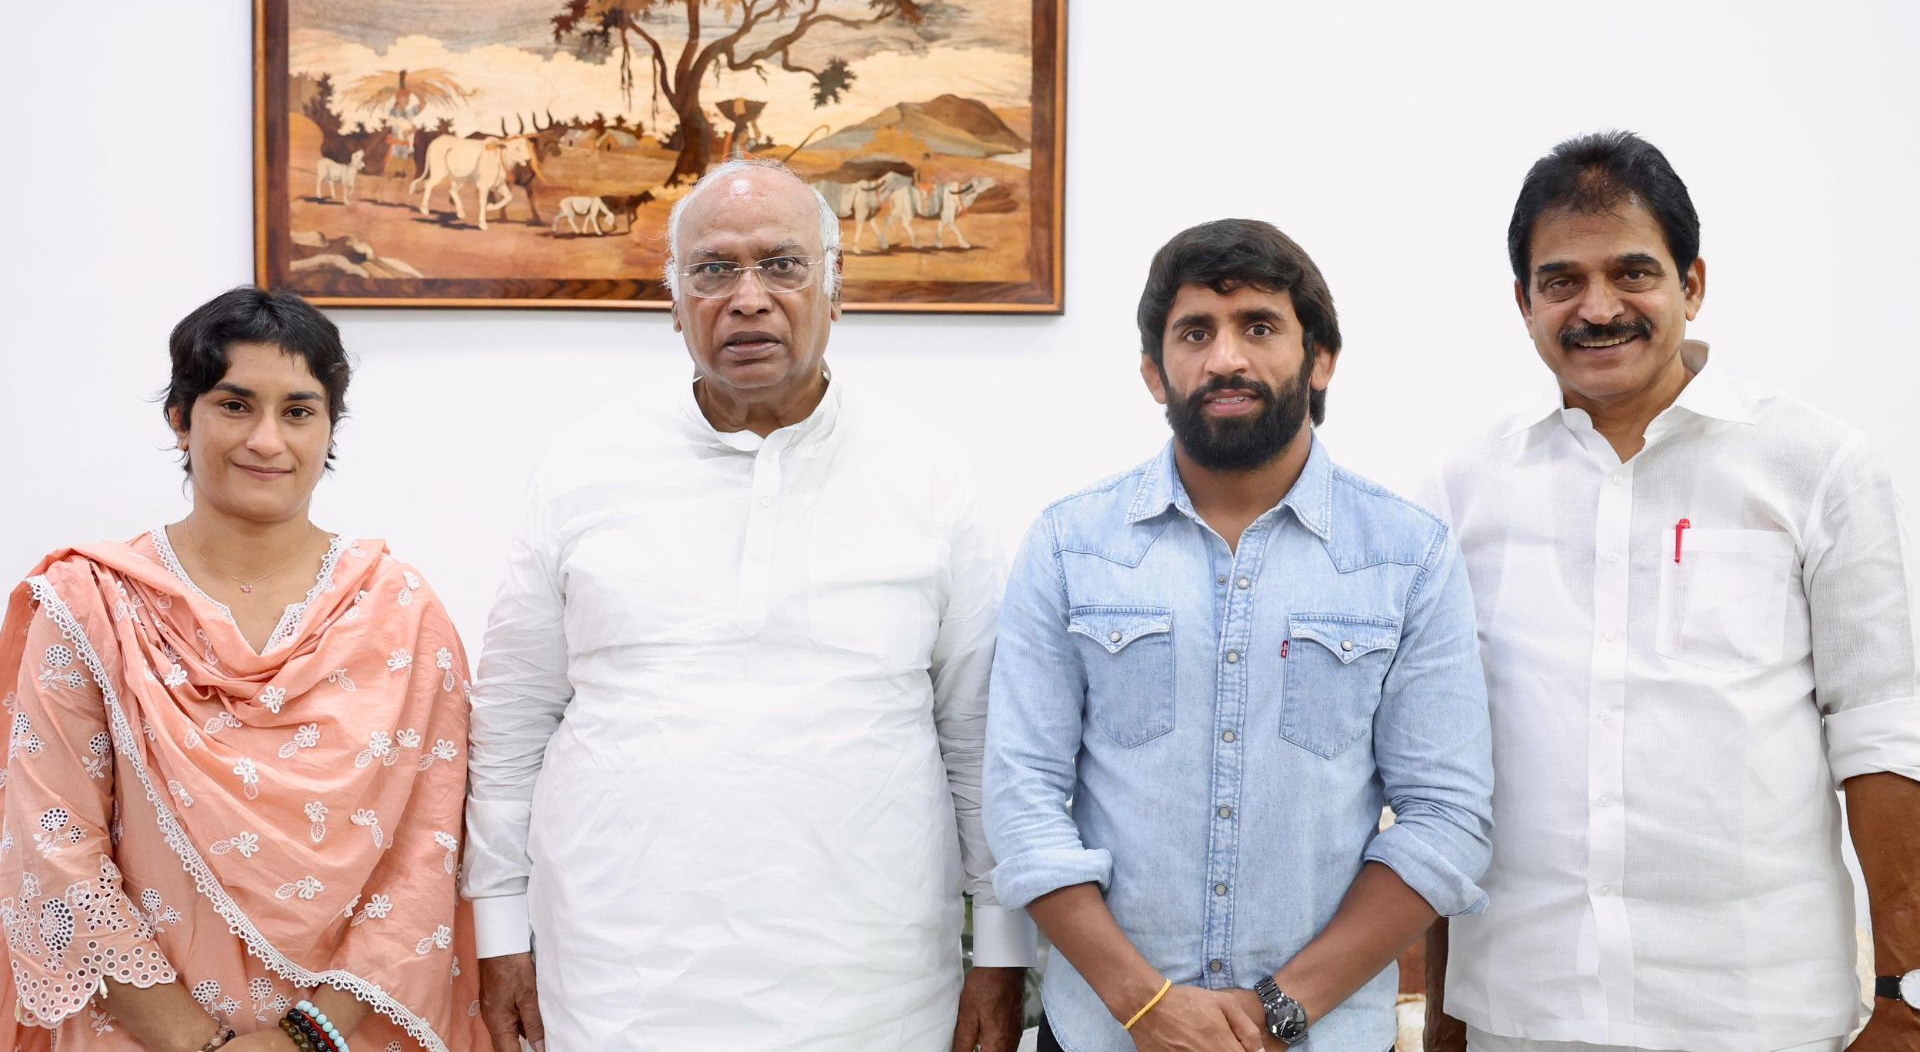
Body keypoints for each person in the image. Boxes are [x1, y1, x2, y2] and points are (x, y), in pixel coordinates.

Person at [464, 156, 1034, 1052]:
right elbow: (509, 727)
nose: (749, 297)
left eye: (782, 264)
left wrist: (1000, 955)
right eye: (714, 270)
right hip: (620, 978)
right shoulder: (581, 471)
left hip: (871, 983)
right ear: (676, 304)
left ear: (835, 294)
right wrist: (498, 937)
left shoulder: (929, 481)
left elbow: (981, 739)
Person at [1423, 131, 1920, 1052]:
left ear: (1692, 284)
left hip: (1756, 1017)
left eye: (1633, 273)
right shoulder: (1462, 488)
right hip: (1523, 1014)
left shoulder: (1816, 467)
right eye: (1561, 280)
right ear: (1524, 303)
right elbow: (1443, 766)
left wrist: (1909, 995)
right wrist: (1451, 1015)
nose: (1597, 307)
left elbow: (1881, 734)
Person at [984, 218, 1494, 1052]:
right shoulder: (1070, 546)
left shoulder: (1408, 556)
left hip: (1317, 1038)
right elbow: (1024, 804)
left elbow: (1446, 819)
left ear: (1320, 358)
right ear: (1155, 372)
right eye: (1195, 333)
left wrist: (1272, 1014)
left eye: (1259, 326)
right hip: (1104, 1036)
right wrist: (1148, 1008)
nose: (1226, 358)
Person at [0, 287, 486, 1052]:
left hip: (351, 1033)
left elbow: (429, 853)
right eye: (235, 405)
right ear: (180, 418)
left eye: (298, 411)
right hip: (138, 1030)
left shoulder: (399, 613)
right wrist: (201, 1046)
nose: (267, 440)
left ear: (329, 429)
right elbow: (55, 845)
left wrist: (308, 1036)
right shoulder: (92, 604)